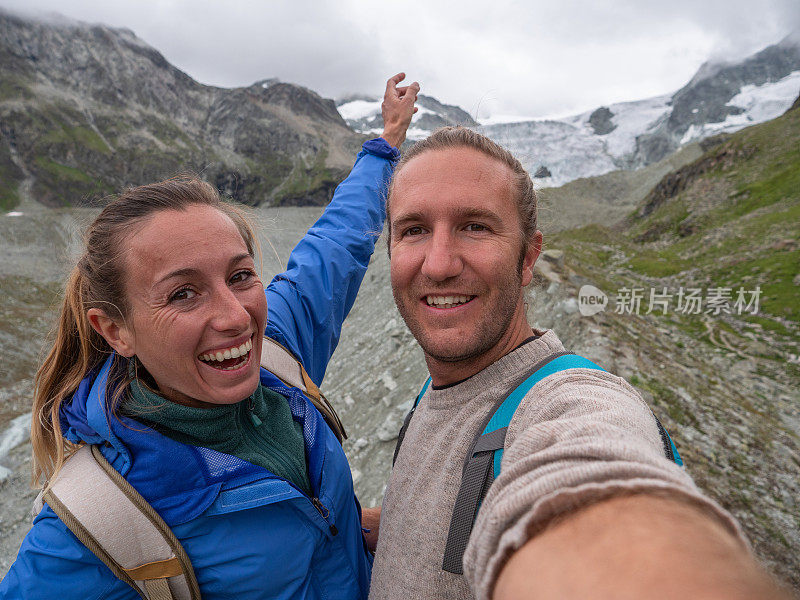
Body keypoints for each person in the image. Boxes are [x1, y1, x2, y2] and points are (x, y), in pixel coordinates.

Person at [1, 74, 419, 600]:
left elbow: (333, 249)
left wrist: (385, 147)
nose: (235, 317)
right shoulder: (97, 523)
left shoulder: (274, 358)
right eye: (183, 294)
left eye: (241, 275)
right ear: (115, 330)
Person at [367, 126, 789, 600]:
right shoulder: (435, 387)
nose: (439, 263)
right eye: (414, 230)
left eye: (475, 226)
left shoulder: (566, 402)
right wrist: (398, 530)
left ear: (528, 259)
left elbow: (591, 483)